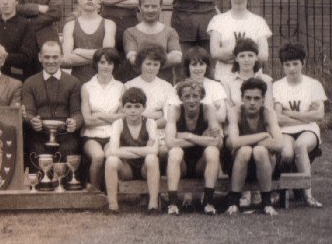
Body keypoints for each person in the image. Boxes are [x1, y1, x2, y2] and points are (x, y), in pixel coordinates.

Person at [273, 44, 327, 207]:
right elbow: (277, 118)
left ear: (303, 63)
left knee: (301, 146)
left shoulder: (313, 84)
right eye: (287, 64)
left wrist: (290, 113)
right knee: (287, 153)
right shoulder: (277, 86)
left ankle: (307, 195)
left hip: (309, 129)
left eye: (295, 63)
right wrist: (304, 117)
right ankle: (279, 191)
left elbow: (319, 115)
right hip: (286, 130)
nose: (291, 68)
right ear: (282, 66)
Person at [224, 77, 284, 216]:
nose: (252, 102)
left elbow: (280, 145)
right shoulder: (235, 112)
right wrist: (263, 135)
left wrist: (245, 141)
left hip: (265, 164)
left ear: (263, 99)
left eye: (256, 98)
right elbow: (233, 142)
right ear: (242, 98)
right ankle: (233, 203)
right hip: (239, 164)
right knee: (245, 150)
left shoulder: (269, 113)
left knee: (259, 150)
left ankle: (267, 204)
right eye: (248, 98)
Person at [165, 79, 223, 216]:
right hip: (182, 165)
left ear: (201, 97)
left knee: (213, 151)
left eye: (195, 96)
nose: (191, 100)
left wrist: (189, 136)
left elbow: (217, 142)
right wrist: (203, 139)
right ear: (180, 98)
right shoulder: (175, 110)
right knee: (175, 152)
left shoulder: (208, 109)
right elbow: (170, 143)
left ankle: (208, 202)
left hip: (201, 164)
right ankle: (172, 203)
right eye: (187, 96)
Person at [21, 41, 83, 159]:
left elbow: (77, 112)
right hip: (39, 135)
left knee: (69, 150)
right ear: (40, 57)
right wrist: (32, 121)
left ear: (61, 57)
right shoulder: (29, 83)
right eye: (47, 57)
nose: (51, 61)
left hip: (65, 135)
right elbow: (28, 112)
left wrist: (75, 122)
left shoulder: (74, 82)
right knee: (37, 152)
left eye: (55, 57)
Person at [104, 87, 161, 213]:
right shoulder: (118, 123)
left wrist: (123, 148)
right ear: (123, 108)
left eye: (137, 106)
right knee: (111, 161)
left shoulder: (150, 123)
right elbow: (112, 151)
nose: (133, 110)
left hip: (145, 168)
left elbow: (154, 150)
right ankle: (113, 205)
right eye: (129, 106)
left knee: (152, 158)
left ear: (144, 107)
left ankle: (153, 205)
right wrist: (143, 150)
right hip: (126, 169)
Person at [208, 0, 272, 81]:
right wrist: (248, 55)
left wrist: (231, 54)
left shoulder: (258, 21)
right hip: (224, 78)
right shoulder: (218, 20)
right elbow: (215, 52)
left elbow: (264, 55)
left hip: (252, 79)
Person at [80, 48, 125, 192]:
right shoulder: (86, 87)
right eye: (102, 62)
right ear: (96, 64)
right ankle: (95, 191)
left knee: (110, 156)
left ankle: (110, 192)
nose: (106, 66)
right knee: (98, 156)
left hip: (113, 134)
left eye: (110, 63)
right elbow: (87, 120)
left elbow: (122, 116)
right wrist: (111, 118)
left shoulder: (121, 87)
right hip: (91, 135)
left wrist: (99, 115)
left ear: (115, 65)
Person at [61, 0, 116, 85]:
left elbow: (107, 54)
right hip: (77, 82)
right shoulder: (70, 25)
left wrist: (79, 51)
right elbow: (67, 58)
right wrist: (98, 56)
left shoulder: (109, 24)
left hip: (102, 82)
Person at [123, 0, 182, 82]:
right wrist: (160, 61)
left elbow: (176, 58)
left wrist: (147, 62)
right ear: (139, 7)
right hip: (139, 83)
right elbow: (133, 60)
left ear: (160, 7)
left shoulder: (170, 32)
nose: (150, 10)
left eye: (154, 6)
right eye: (146, 6)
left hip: (164, 82)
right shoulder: (130, 33)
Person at [166, 47, 228, 125]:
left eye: (201, 64)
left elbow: (221, 116)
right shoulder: (178, 87)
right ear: (187, 66)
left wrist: (189, 115)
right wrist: (210, 110)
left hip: (211, 131)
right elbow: (172, 116)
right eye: (194, 65)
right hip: (184, 132)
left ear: (207, 66)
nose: (198, 68)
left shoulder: (216, 86)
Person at [124, 46, 175, 135]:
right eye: (148, 64)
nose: (152, 68)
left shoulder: (167, 87)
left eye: (156, 64)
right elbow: (127, 115)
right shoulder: (129, 86)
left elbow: (169, 117)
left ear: (160, 66)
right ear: (140, 64)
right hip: (135, 131)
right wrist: (158, 114)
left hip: (159, 130)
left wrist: (149, 122)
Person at [221, 38, 274, 109]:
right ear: (236, 59)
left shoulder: (266, 80)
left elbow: (268, 108)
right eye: (242, 56)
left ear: (256, 57)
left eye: (250, 55)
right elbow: (228, 109)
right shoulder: (227, 82)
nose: (246, 60)